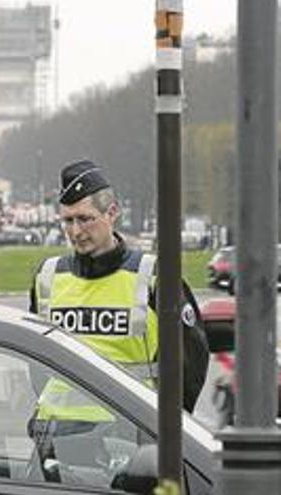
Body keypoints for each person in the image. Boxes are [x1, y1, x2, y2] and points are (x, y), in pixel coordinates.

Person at [27, 159, 209, 479]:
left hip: (133, 440)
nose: (75, 231)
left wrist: (167, 433)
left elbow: (191, 361)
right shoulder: (47, 277)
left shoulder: (154, 276)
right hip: (57, 439)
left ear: (112, 213)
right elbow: (35, 362)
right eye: (67, 221)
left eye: (85, 219)